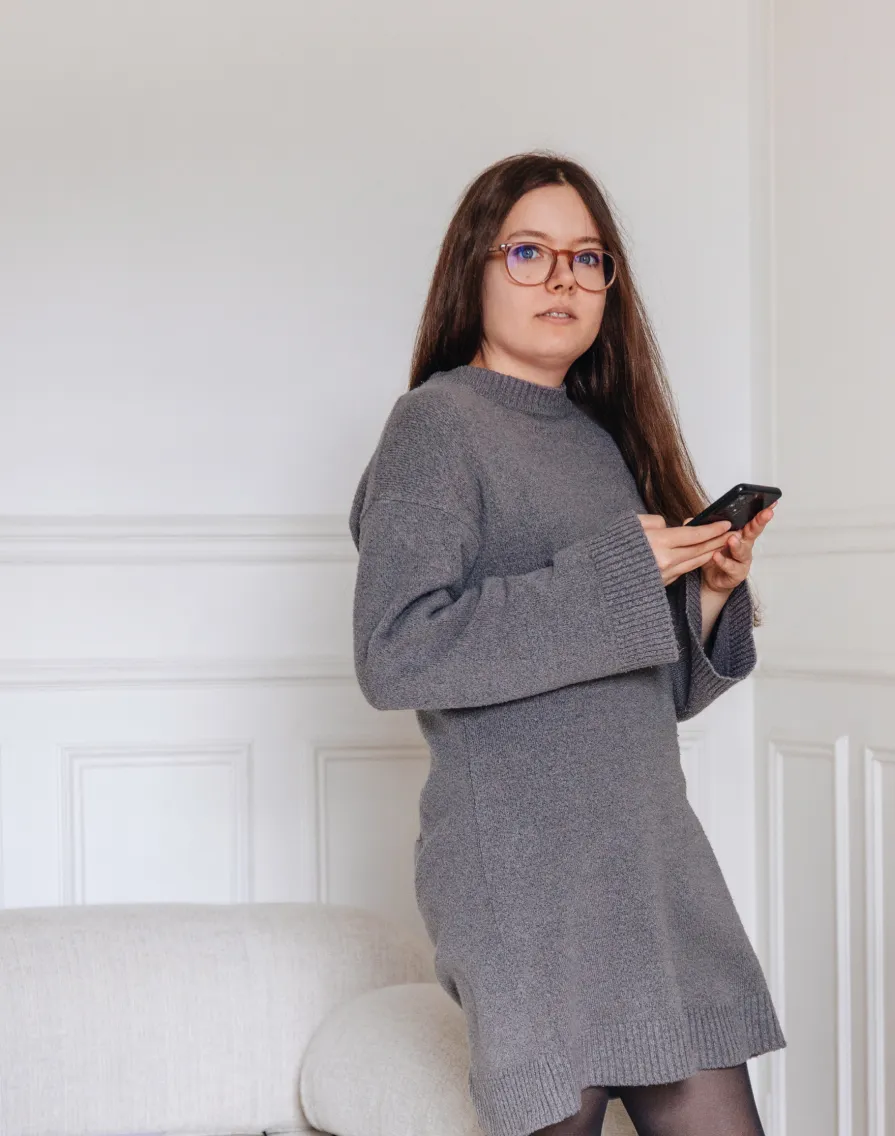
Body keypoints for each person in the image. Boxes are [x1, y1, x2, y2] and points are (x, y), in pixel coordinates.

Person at [348, 151, 785, 1136]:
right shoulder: (436, 424)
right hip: (525, 878)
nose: (563, 279)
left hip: (648, 862)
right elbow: (396, 649)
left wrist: (708, 596)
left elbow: (645, 685)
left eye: (588, 260)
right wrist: (613, 573)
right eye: (532, 252)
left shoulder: (601, 438)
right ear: (475, 269)